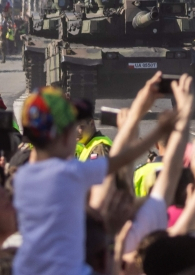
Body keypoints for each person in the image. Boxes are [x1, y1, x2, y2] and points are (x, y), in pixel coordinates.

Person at [12, 85, 177, 275]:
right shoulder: (68, 173)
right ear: (65, 137)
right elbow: (122, 158)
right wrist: (154, 128)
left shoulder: (21, 175)